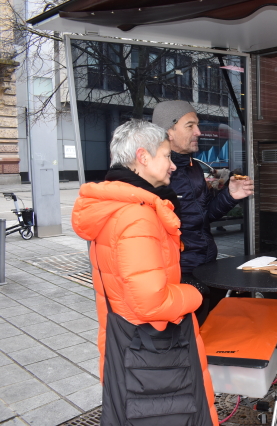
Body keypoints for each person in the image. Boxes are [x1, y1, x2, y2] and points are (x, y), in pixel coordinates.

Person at [72, 120, 217, 425]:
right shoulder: (137, 216)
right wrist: (194, 292)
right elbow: (152, 302)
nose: (173, 167)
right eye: (166, 156)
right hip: (152, 352)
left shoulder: (117, 205)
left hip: (127, 342)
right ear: (143, 157)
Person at [152, 101, 254, 324]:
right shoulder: (154, 173)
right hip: (179, 275)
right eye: (190, 126)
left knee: (211, 332)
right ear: (169, 131)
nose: (198, 132)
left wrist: (230, 195)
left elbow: (204, 214)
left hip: (205, 266)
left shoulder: (193, 166)